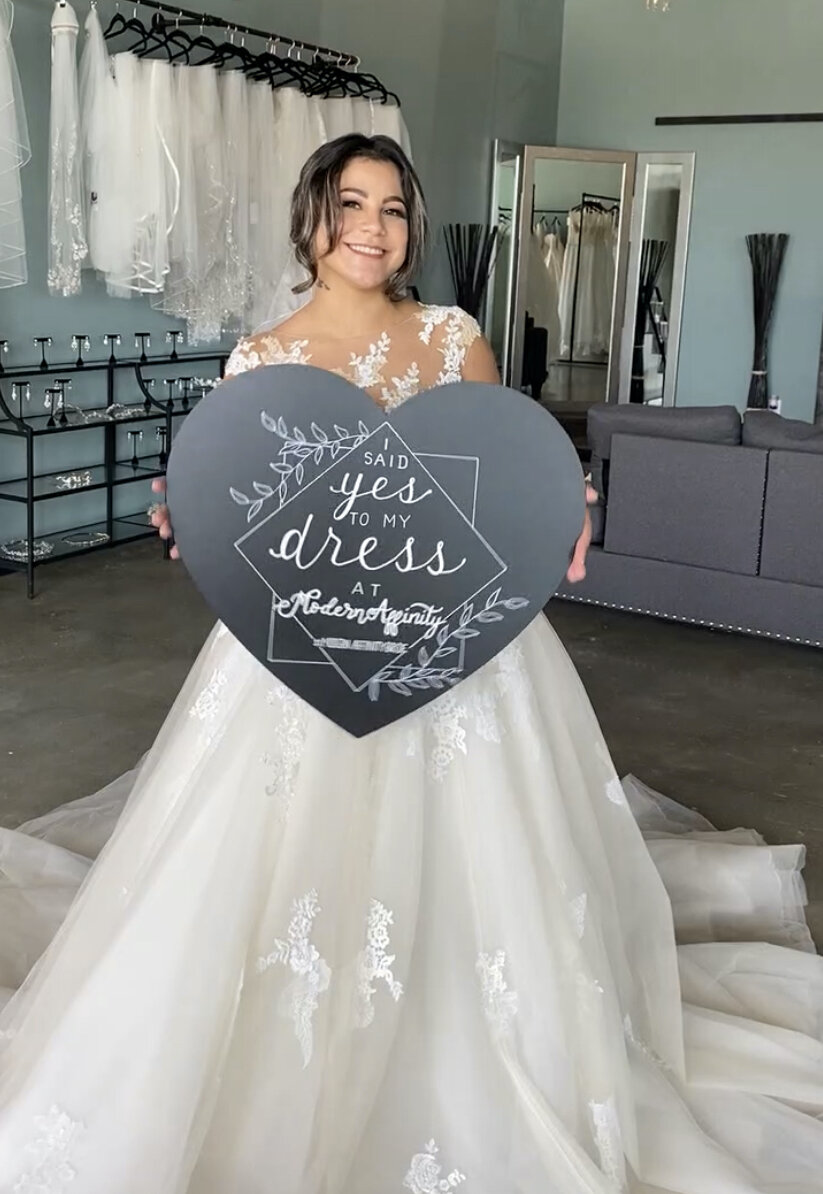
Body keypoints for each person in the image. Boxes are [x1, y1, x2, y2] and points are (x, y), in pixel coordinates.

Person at [0, 134, 821, 1193]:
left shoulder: (450, 336)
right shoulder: (258, 360)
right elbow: (237, 503)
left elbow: (504, 473)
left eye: (392, 210)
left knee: (484, 862)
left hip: (460, 642)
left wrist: (564, 502)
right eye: (350, 203)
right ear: (310, 217)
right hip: (297, 650)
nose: (370, 228)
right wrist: (190, 514)